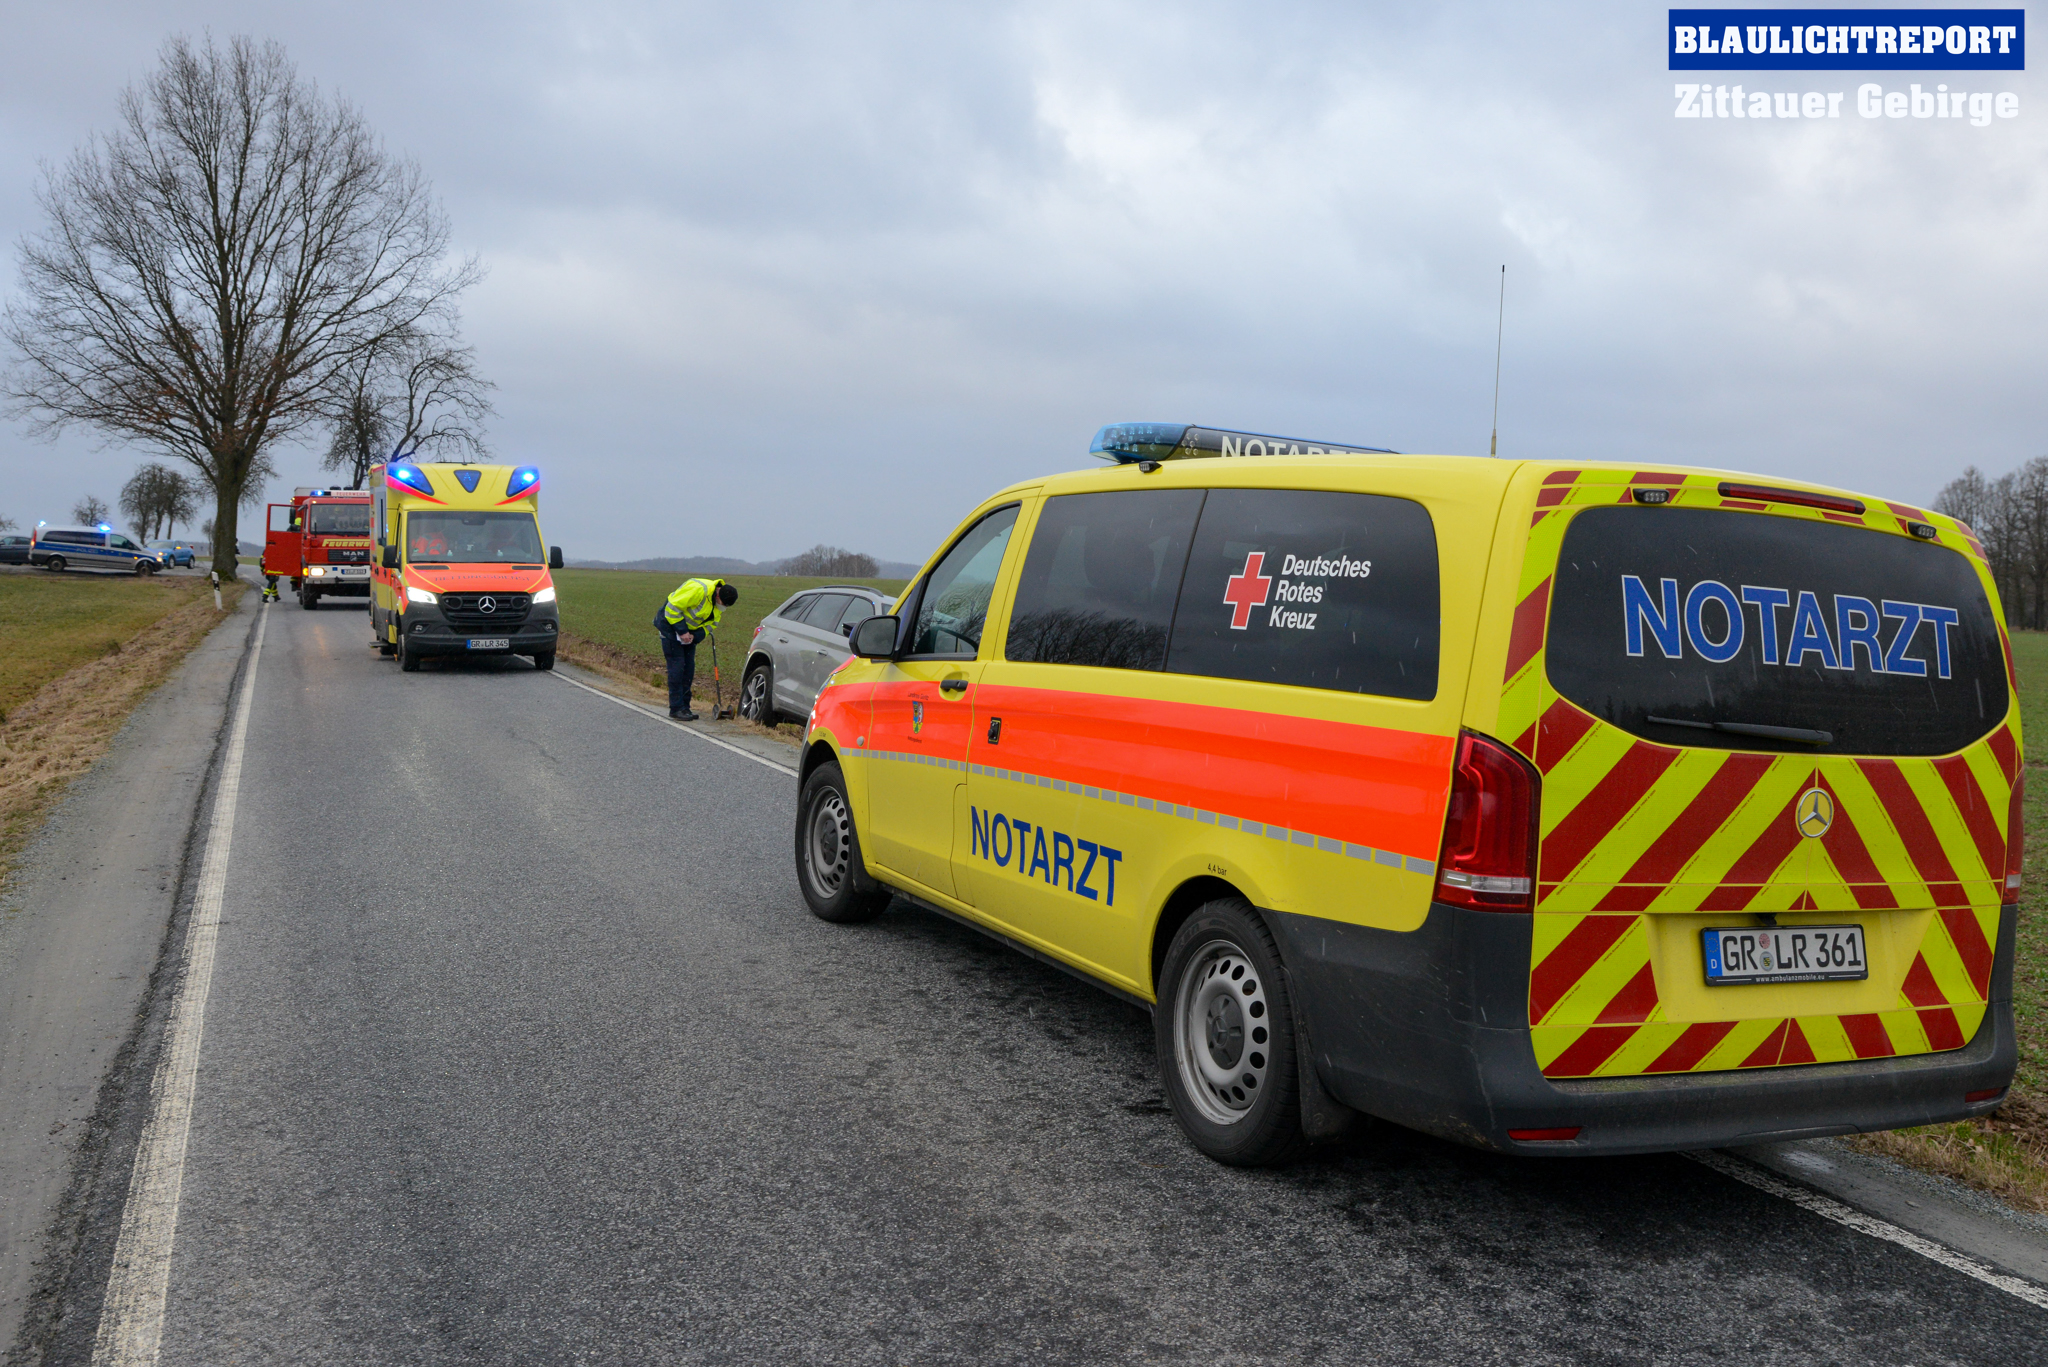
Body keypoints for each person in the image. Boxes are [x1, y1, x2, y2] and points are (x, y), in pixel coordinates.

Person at [654, 577, 738, 719]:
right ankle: (676, 708)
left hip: (688, 635)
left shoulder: (718, 603)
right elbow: (672, 609)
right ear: (718, 595)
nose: (723, 608)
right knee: (677, 668)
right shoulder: (699, 590)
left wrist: (695, 636)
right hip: (670, 628)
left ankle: (685, 708)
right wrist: (682, 631)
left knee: (688, 670)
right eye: (723, 604)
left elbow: (712, 624)